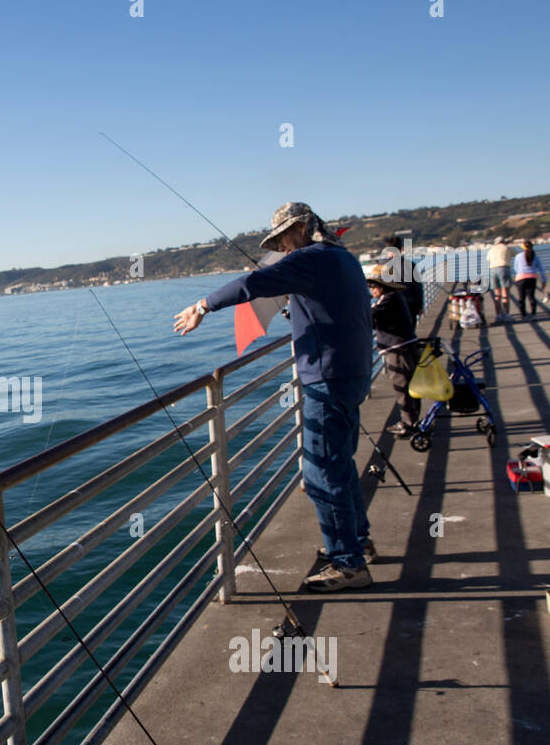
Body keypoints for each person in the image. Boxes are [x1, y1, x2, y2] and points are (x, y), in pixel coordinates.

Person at [174, 202, 374, 592]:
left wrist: (201, 306)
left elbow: (251, 284)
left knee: (322, 474)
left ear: (301, 228)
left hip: (327, 377)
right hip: (354, 371)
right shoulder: (342, 258)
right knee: (342, 464)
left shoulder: (309, 258)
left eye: (283, 237)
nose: (282, 246)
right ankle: (358, 542)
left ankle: (348, 565)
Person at [366, 264, 420, 437]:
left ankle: (409, 424)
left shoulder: (388, 299)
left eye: (373, 286)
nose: (371, 289)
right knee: (410, 387)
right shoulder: (394, 297)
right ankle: (414, 422)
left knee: (402, 387)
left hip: (398, 350)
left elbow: (368, 315)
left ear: (382, 286)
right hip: (405, 346)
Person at [383, 234, 424, 323]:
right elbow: (418, 288)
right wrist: (420, 306)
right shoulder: (410, 264)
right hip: (410, 306)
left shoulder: (385, 267)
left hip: (393, 308)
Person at [513, 239, 548, 317]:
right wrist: (544, 280)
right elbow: (541, 269)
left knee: (521, 297)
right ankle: (533, 313)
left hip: (521, 278)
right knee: (531, 296)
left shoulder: (518, 256)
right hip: (532, 277)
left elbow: (515, 268)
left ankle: (523, 314)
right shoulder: (535, 256)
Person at [486, 236, 515, 321]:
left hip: (492, 270)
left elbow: (487, 259)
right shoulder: (507, 248)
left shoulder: (491, 249)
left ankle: (498, 315)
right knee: (505, 293)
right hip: (503, 268)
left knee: (497, 295)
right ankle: (507, 314)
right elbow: (516, 253)